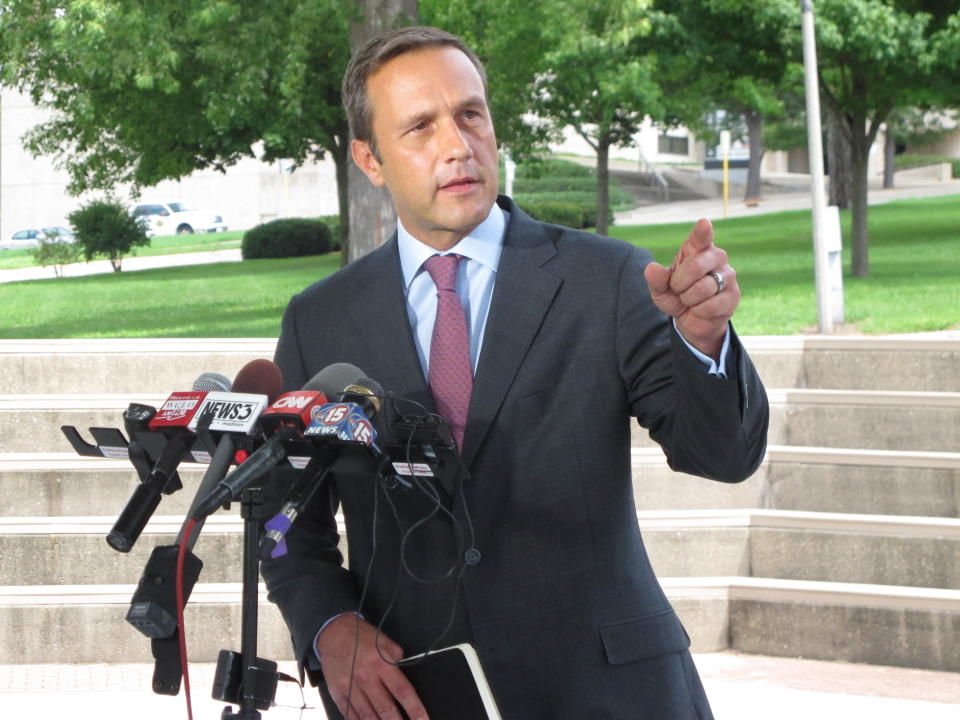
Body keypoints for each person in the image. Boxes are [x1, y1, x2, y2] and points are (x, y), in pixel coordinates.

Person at [261, 26, 768, 720]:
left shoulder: (609, 277)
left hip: (612, 693)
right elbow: (286, 522)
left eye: (471, 114)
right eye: (419, 127)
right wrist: (327, 626)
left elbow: (723, 455)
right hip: (422, 696)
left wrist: (702, 338)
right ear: (369, 159)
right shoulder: (319, 321)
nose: (457, 145)